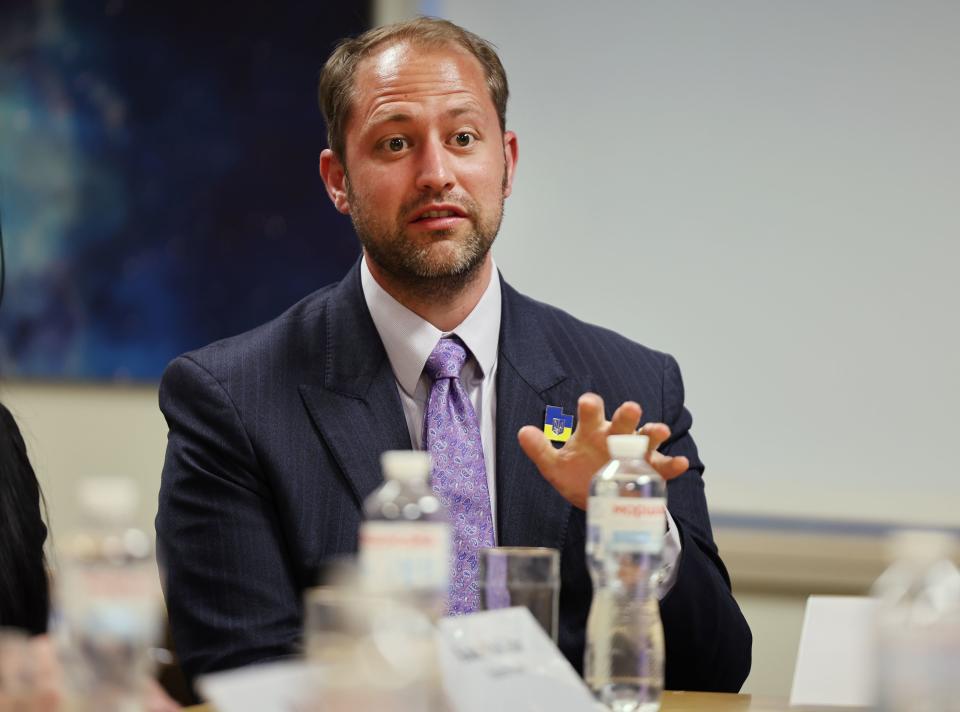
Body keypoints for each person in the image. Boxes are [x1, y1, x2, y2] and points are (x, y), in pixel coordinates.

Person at [156, 16, 752, 695]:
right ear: (338, 179)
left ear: (508, 163)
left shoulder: (631, 387)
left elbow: (718, 669)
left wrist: (628, 521)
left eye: (463, 138)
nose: (436, 173)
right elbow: (239, 670)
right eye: (396, 143)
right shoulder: (232, 399)